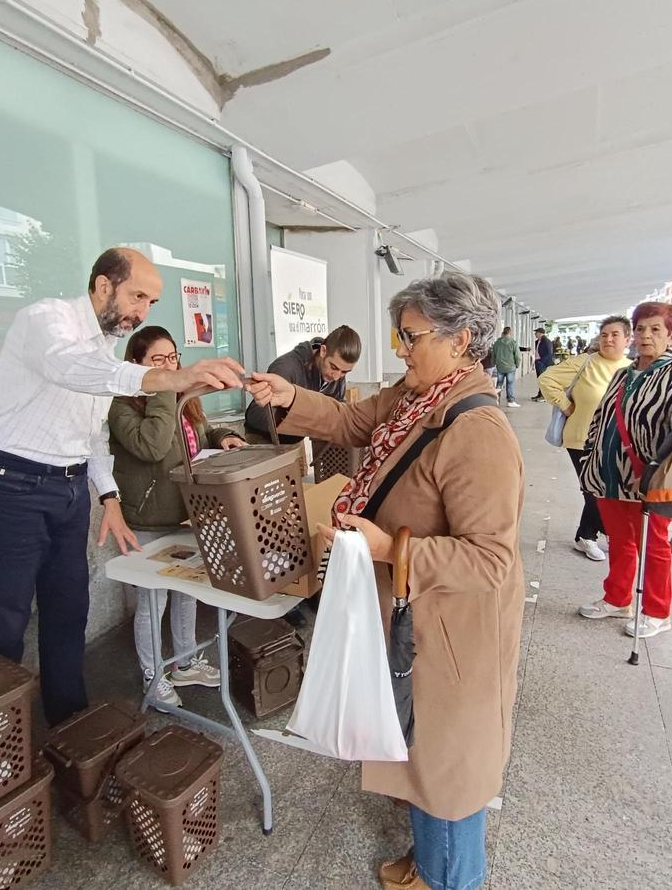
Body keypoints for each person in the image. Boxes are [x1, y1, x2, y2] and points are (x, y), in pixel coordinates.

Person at [248, 272, 525, 890]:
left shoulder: (477, 431)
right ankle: (430, 861)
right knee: (417, 746)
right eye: (399, 336)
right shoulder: (417, 396)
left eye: (411, 337)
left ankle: (448, 875)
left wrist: (387, 547)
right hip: (409, 614)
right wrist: (286, 396)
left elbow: (491, 560)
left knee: (444, 766)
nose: (400, 350)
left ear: (464, 340)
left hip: (446, 627)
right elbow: (351, 423)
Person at [0, 247, 243, 726]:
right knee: (7, 618)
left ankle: (69, 724)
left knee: (69, 610)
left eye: (151, 303)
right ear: (102, 285)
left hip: (68, 488)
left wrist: (108, 496)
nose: (142, 312)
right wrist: (171, 377)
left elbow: (91, 435)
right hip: (8, 483)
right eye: (137, 296)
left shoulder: (103, 353)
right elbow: (69, 369)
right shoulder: (46, 320)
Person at [108, 326, 246, 708]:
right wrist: (164, 387)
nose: (170, 366)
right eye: (158, 360)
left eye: (173, 358)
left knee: (187, 592)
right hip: (148, 520)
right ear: (136, 365)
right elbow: (153, 446)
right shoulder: (121, 404)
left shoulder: (181, 396)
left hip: (187, 513)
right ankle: (154, 678)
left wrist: (220, 438)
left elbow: (193, 433)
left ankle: (185, 663)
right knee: (153, 602)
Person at [577, 302, 672, 639]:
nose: (646, 336)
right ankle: (617, 598)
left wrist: (663, 469)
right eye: (642, 329)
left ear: (671, 335)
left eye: (656, 329)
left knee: (653, 543)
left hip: (648, 478)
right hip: (609, 474)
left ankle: (658, 611)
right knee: (619, 539)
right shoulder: (624, 372)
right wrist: (591, 454)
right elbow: (603, 415)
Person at [538, 316, 633, 562]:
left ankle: (592, 533)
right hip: (582, 439)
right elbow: (547, 379)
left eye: (615, 335)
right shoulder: (586, 362)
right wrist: (566, 406)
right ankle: (595, 535)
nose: (608, 339)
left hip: (615, 441)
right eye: (604, 335)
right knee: (594, 490)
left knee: (607, 490)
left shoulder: (633, 369)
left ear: (627, 339)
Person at [244, 325, 361, 442]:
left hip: (304, 444)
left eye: (344, 372)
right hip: (265, 442)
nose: (336, 377)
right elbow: (256, 415)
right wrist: (308, 418)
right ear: (323, 351)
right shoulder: (287, 367)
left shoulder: (337, 374)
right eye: (333, 367)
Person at [492, 326, 522, 407]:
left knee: (499, 383)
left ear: (503, 332)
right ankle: (510, 401)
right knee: (510, 384)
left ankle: (496, 400)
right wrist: (517, 364)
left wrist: (494, 363)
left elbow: (493, 354)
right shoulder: (513, 343)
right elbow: (518, 356)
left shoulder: (497, 343)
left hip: (500, 367)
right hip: (510, 367)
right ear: (510, 333)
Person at [530, 327, 554, 400]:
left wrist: (541, 361)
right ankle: (540, 394)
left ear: (540, 333)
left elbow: (549, 353)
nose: (535, 334)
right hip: (538, 362)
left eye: (536, 333)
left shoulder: (547, 341)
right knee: (539, 379)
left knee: (543, 380)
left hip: (543, 363)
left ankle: (544, 395)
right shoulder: (537, 342)